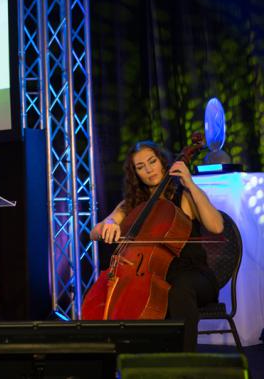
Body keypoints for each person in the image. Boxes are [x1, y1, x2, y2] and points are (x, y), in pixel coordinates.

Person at [90, 140, 224, 351]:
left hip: (193, 274)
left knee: (178, 290)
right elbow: (94, 232)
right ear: (135, 174)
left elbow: (216, 226)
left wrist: (190, 183)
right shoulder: (132, 205)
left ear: (162, 162)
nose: (149, 169)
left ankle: (185, 364)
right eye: (140, 167)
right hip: (153, 277)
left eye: (152, 161)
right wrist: (107, 224)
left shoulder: (184, 196)